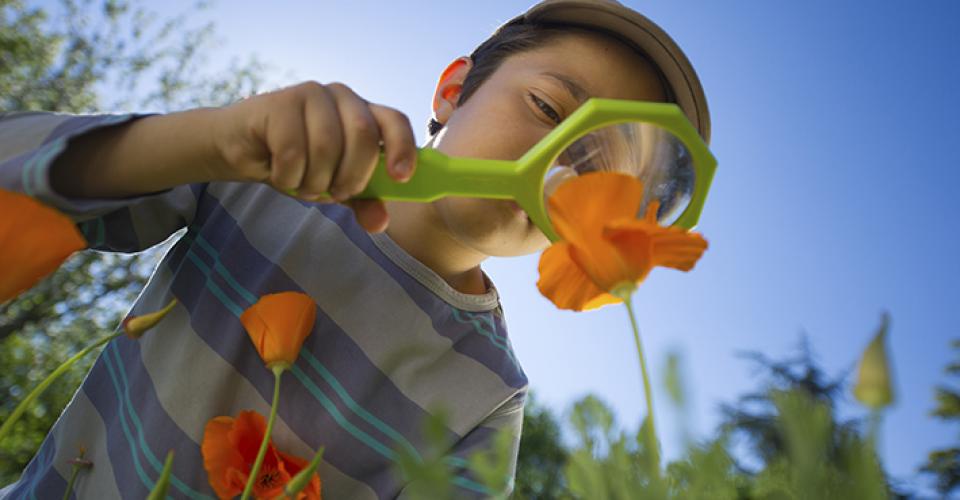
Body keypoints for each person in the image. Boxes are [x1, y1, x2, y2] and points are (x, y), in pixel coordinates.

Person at [0, 0, 710, 497]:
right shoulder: (272, 178)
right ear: (453, 91)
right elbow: (16, 170)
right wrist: (211, 142)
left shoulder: (489, 398)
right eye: (548, 109)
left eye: (596, 170)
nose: (559, 161)